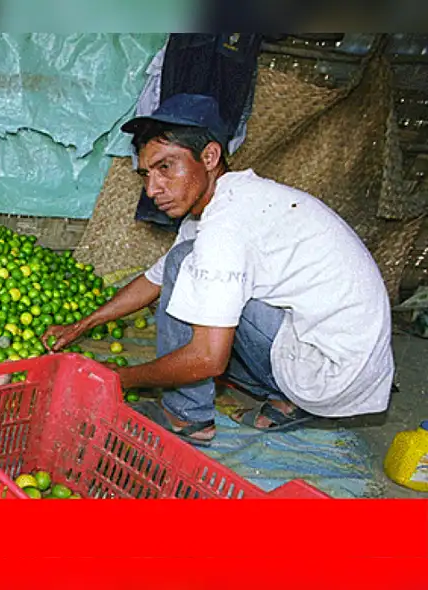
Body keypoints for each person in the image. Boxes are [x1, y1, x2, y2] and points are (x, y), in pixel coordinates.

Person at [43, 93, 394, 447]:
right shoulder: (227, 199)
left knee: (188, 273)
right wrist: (81, 325)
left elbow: (208, 358)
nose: (152, 189)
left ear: (209, 157)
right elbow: (154, 279)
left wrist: (120, 378)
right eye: (146, 174)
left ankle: (185, 417)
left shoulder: (226, 227)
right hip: (349, 363)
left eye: (166, 167)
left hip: (331, 371)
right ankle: (290, 398)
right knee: (186, 270)